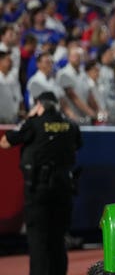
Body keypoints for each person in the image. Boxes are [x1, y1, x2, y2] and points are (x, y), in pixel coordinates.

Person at [0, 91, 82, 275]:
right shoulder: (70, 125)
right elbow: (77, 146)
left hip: (39, 188)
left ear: (40, 106)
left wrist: (29, 119)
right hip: (64, 189)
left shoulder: (34, 124)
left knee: (38, 238)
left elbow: (4, 142)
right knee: (58, 237)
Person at [0, 50, 24, 123]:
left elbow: (19, 99)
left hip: (12, 119)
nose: (11, 63)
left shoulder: (14, 79)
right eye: (8, 61)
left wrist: (22, 111)